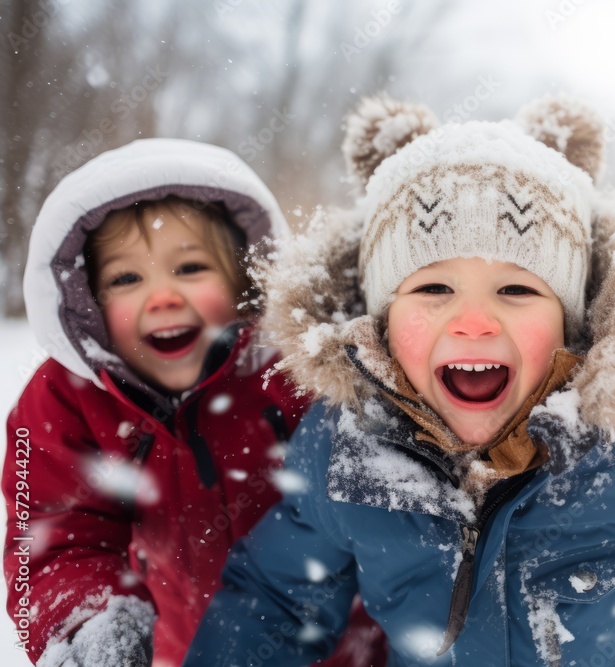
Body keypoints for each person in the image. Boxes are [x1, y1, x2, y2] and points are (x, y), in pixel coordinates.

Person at [182, 95, 615, 667]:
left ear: (571, 324)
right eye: (433, 288)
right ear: (378, 320)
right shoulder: (347, 445)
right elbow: (277, 599)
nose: (476, 321)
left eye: (516, 289)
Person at [3, 139, 385, 667]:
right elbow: (52, 537)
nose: (163, 297)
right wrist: (86, 622)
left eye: (189, 269)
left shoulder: (294, 368)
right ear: (88, 298)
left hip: (345, 643)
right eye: (126, 278)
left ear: (242, 281)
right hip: (186, 648)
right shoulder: (65, 399)